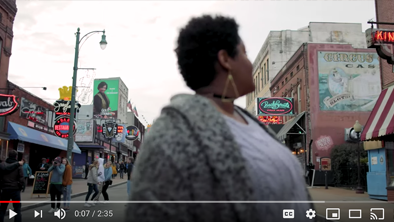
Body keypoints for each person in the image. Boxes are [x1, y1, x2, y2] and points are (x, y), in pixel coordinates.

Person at [127, 15, 314, 222]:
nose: (250, 64)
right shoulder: (173, 132)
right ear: (225, 59)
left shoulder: (250, 121)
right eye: (244, 53)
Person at [0, 150, 24, 222]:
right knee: (17, 209)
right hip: (15, 189)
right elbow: (21, 178)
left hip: (5, 188)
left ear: (8, 155)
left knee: (2, 209)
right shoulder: (19, 166)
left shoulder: (2, 165)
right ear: (16, 157)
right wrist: (21, 186)